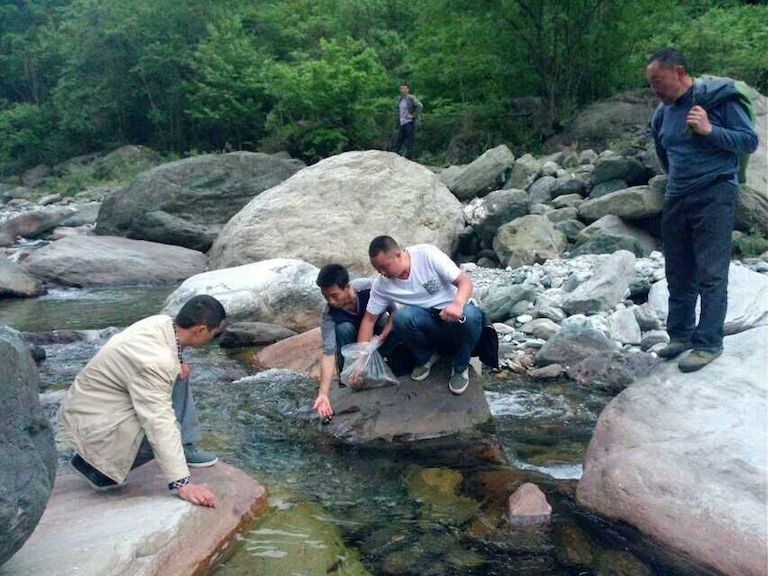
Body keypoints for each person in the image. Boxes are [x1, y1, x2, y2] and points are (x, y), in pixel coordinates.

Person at [646, 48, 758, 372]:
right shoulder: (662, 113)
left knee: (711, 271)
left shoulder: (720, 100)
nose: (655, 89)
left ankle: (708, 343)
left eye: (658, 81)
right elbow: (664, 153)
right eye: (651, 84)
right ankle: (680, 335)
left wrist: (710, 130)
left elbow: (748, 142)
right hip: (678, 196)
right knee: (678, 271)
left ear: (679, 73)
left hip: (716, 192)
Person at [58, 295, 228, 507]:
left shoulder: (160, 323)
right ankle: (98, 468)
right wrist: (182, 483)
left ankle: (184, 447)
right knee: (164, 422)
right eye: (215, 334)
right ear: (201, 330)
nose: (215, 340)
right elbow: (159, 423)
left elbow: (164, 362)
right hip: (99, 431)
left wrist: (179, 360)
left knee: (178, 373)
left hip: (91, 412)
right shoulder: (156, 362)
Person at [357, 236, 483, 395]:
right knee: (400, 318)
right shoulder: (382, 285)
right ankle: (426, 357)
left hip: (454, 316)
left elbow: (465, 282)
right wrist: (360, 361)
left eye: (384, 267)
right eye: (377, 269)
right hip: (427, 321)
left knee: (470, 316)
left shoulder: (426, 255)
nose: (382, 273)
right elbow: (368, 321)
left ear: (398, 255)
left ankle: (460, 367)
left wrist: (457, 304)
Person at [312, 263, 407, 421]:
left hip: (377, 332)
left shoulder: (369, 289)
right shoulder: (329, 314)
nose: (331, 301)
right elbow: (328, 354)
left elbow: (394, 311)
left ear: (347, 287)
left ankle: (389, 365)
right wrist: (323, 394)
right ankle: (348, 379)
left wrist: (381, 337)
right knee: (343, 329)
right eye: (326, 296)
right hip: (350, 341)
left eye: (334, 295)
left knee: (396, 327)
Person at [391, 85, 423, 160]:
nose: (403, 90)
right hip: (402, 122)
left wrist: (413, 115)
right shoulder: (400, 99)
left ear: (408, 90)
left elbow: (420, 106)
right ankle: (393, 155)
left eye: (405, 89)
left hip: (409, 122)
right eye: (401, 89)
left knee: (410, 141)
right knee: (399, 140)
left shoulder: (411, 98)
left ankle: (410, 158)